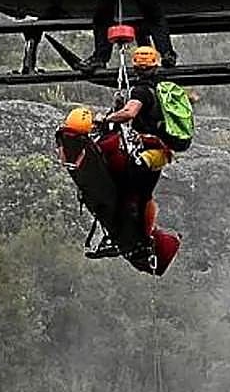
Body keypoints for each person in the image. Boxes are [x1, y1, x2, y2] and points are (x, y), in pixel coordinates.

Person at [55, 103, 181, 275]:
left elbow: (137, 189)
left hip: (118, 173)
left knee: (152, 155)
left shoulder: (135, 229)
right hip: (116, 175)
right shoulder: (132, 233)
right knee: (153, 154)